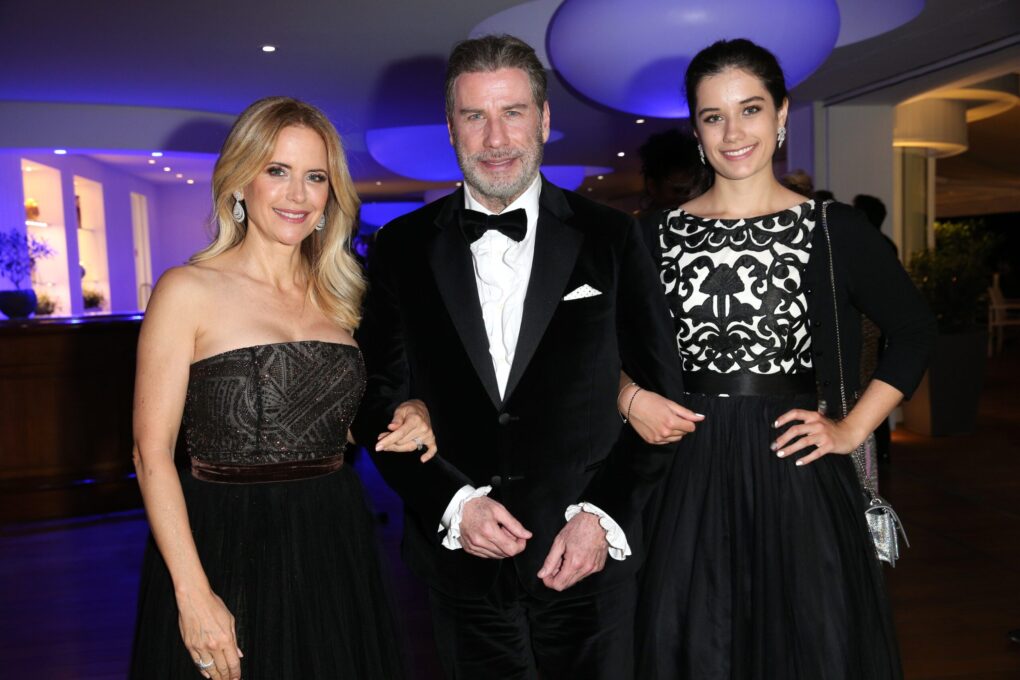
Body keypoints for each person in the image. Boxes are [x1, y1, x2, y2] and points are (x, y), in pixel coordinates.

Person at [352, 34, 688, 680]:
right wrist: (454, 505)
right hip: (461, 568)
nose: (496, 137)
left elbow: (660, 402)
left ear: (544, 119)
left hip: (588, 563)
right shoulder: (400, 248)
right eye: (475, 116)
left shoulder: (613, 238)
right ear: (451, 129)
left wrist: (602, 517)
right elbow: (377, 403)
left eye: (513, 112)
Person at [625, 39, 935, 679]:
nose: (733, 132)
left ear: (783, 114)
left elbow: (914, 331)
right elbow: (598, 350)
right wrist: (628, 398)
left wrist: (852, 428)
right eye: (713, 116)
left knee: (811, 646)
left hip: (795, 468)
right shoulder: (652, 236)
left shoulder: (832, 228)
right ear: (696, 128)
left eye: (751, 109)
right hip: (687, 471)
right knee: (696, 646)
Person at [130, 97, 433, 679]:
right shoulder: (186, 290)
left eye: (314, 177)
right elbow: (150, 455)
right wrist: (192, 594)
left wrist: (411, 410)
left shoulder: (343, 299)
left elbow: (352, 418)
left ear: (330, 196)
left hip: (332, 538)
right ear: (241, 182)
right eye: (277, 171)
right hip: (225, 542)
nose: (297, 194)